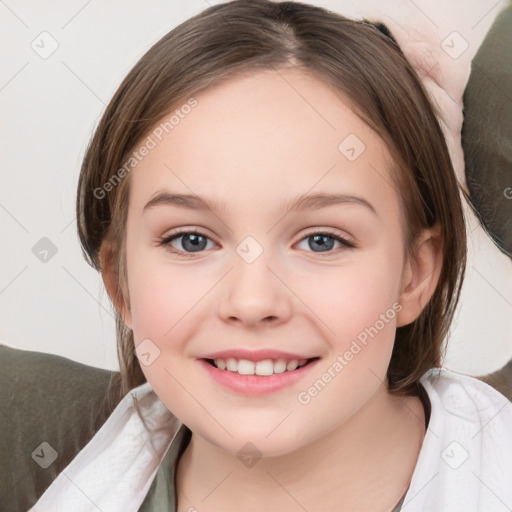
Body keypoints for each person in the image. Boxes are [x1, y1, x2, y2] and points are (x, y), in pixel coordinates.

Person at [14, 0, 512, 510]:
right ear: (120, 282)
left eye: (322, 240)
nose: (252, 302)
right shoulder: (39, 445)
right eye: (192, 240)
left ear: (415, 275)